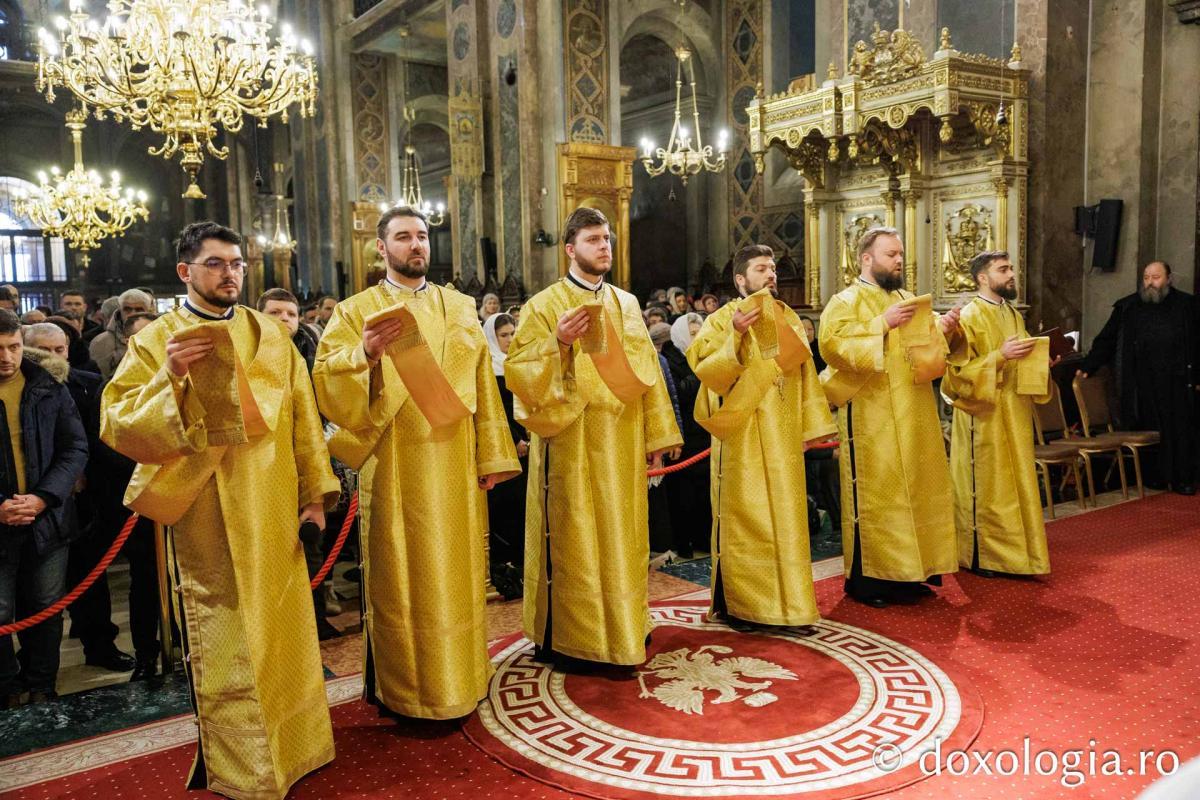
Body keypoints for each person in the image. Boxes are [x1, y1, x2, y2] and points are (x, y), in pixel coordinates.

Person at [100, 222, 340, 798]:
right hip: (208, 509)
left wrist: (314, 494)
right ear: (185, 271)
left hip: (275, 500)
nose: (229, 273)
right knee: (227, 630)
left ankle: (298, 745)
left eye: (236, 264)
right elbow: (118, 423)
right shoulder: (158, 340)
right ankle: (245, 765)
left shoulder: (272, 334)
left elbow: (302, 416)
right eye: (215, 264)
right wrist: (171, 376)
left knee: (283, 626)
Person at [314, 206, 519, 719]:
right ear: (382, 248)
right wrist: (363, 355)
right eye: (403, 237)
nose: (416, 245)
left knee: (459, 575)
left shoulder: (460, 306)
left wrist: (493, 454)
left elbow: (482, 387)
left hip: (456, 461)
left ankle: (463, 677)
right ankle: (407, 691)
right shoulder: (356, 312)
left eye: (422, 236)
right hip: (395, 467)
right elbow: (327, 383)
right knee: (403, 577)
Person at [505, 206, 681, 670]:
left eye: (606, 239)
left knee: (625, 536)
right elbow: (519, 373)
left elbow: (647, 372)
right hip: (571, 443)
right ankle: (572, 637)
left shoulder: (626, 302)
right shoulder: (543, 305)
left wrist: (658, 435)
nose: (604, 247)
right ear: (570, 249)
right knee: (575, 538)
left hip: (622, 439)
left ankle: (625, 622)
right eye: (592, 240)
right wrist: (558, 343)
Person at [689, 246, 835, 631]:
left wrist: (811, 429)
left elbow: (805, 376)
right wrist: (736, 335)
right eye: (761, 269)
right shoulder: (721, 320)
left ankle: (791, 606)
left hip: (783, 436)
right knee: (747, 521)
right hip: (742, 438)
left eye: (772, 269)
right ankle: (743, 607)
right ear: (741, 279)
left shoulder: (787, 317)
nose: (771, 274)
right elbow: (706, 372)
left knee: (787, 522)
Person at [819, 226, 961, 608]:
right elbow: (832, 346)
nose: (899, 260)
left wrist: (944, 330)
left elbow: (926, 350)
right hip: (872, 417)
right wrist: (881, 323)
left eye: (900, 254)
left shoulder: (906, 299)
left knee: (915, 493)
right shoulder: (845, 301)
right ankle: (869, 584)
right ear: (867, 258)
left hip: (914, 414)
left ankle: (910, 575)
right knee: (879, 497)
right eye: (891, 254)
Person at [20, 323, 134, 674]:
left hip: (84, 498)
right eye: (43, 350)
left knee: (89, 577)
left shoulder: (87, 383)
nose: (53, 357)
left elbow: (96, 437)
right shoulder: (18, 385)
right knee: (32, 592)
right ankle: (32, 666)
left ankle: (99, 645)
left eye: (60, 349)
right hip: (32, 499)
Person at [943, 251, 1052, 578]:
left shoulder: (1012, 314)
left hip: (1014, 413)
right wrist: (999, 357)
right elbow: (956, 375)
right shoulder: (969, 316)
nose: (1011, 274)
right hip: (983, 416)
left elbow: (1021, 359)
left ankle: (1015, 554)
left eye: (1011, 268)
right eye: (1003, 270)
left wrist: (1041, 360)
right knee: (988, 487)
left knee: (1014, 485)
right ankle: (979, 556)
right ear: (982, 278)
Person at [0, 310, 89, 707]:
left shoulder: (47, 384)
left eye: (13, 347)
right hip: (1, 519)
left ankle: (42, 686)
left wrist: (42, 498)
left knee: (46, 607)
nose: (6, 357)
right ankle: (6, 690)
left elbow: (74, 448)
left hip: (47, 518)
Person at [1077, 261, 1196, 494]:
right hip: (1141, 383)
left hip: (1177, 383)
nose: (1150, 282)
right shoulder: (1128, 307)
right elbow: (1106, 340)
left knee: (1179, 431)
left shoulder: (1187, 306)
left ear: (1169, 279)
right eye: (1146, 277)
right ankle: (1154, 477)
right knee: (1147, 426)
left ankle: (1183, 479)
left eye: (1156, 277)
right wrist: (1089, 365)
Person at [482, 312, 529, 593]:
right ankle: (502, 565)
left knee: (523, 507)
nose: (510, 339)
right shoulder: (488, 367)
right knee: (504, 508)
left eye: (513, 333)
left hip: (527, 444)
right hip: (504, 449)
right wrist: (515, 440)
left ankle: (522, 564)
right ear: (492, 337)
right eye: (504, 335)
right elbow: (495, 412)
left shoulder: (518, 362)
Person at [661, 312, 710, 558]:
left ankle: (704, 539)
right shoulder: (670, 360)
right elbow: (677, 394)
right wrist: (700, 374)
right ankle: (684, 542)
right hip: (684, 437)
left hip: (704, 434)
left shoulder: (705, 356)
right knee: (683, 495)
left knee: (704, 493)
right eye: (692, 333)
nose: (696, 337)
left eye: (699, 332)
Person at [88, 288, 153, 379]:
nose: (132, 314)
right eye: (127, 309)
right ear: (120, 310)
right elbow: (99, 378)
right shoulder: (101, 342)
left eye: (139, 309)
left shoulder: (161, 337)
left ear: (148, 311)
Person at [258, 288, 320, 374]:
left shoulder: (313, 348)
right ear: (258, 317)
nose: (284, 318)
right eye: (274, 312)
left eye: (291, 314)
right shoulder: (245, 351)